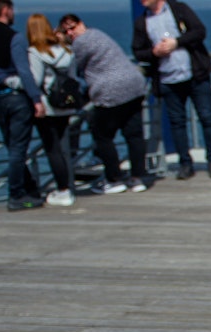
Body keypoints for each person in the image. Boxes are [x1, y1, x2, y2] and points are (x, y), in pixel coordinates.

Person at [61, 13, 151, 195]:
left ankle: (114, 179)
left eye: (72, 28)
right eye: (66, 31)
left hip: (110, 92)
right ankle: (137, 178)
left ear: (81, 24)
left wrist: (63, 44)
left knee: (102, 136)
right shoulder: (98, 33)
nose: (70, 33)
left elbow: (72, 69)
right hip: (134, 85)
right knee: (134, 134)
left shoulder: (80, 42)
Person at [133, 0, 211, 180]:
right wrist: (154, 52)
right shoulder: (142, 22)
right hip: (168, 79)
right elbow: (138, 51)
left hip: (196, 75)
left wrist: (177, 42)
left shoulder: (179, 9)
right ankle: (185, 164)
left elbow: (199, 31)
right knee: (177, 123)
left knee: (207, 117)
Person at [0, 0, 46, 211]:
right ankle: (16, 195)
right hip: (17, 99)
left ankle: (29, 190)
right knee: (18, 150)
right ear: (6, 10)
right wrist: (36, 99)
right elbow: (24, 71)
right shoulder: (14, 38)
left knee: (12, 147)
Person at [25, 13, 78, 207]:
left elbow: (36, 80)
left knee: (52, 148)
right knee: (63, 148)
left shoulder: (35, 52)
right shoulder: (66, 51)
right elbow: (73, 78)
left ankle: (63, 190)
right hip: (66, 104)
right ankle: (67, 186)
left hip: (47, 106)